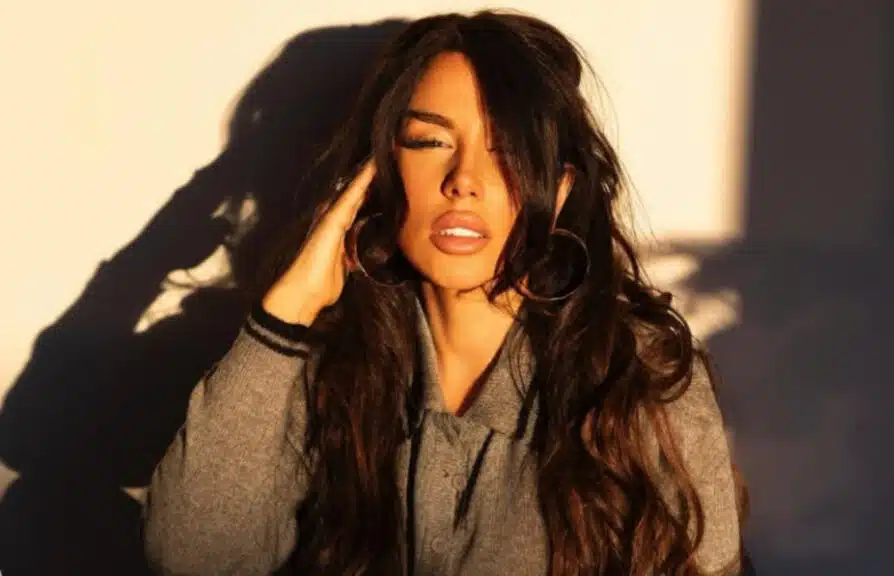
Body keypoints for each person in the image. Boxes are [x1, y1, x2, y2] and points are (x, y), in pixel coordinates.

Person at [143, 10, 746, 576]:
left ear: (560, 189)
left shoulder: (635, 375)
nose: (463, 180)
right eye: (430, 142)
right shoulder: (323, 362)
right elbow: (191, 555)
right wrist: (286, 313)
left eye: (507, 150)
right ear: (377, 174)